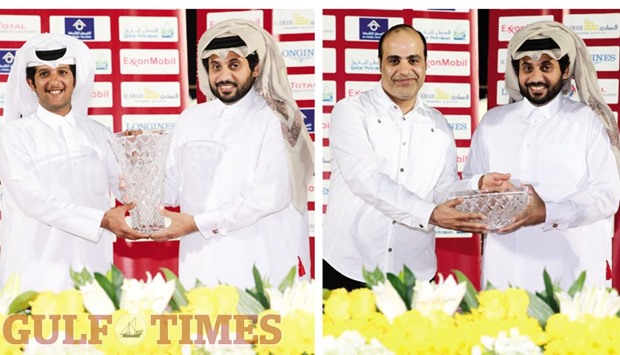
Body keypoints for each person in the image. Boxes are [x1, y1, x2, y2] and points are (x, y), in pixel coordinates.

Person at [323, 24, 509, 291]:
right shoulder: (350, 111)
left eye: (413, 60)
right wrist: (431, 214)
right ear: (379, 64)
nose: (404, 70)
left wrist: (476, 185)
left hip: (413, 272)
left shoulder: (439, 125)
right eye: (394, 60)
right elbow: (367, 180)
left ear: (425, 64)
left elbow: (442, 189)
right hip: (349, 267)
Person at [150, 19, 314, 289]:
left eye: (234, 65)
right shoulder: (191, 118)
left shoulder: (279, 118)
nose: (223, 75)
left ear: (256, 67)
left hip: (262, 263)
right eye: (215, 66)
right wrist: (141, 186)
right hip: (201, 263)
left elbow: (269, 196)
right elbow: (173, 186)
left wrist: (195, 224)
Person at [463, 21, 620, 292]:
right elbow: (470, 184)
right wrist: (481, 189)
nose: (535, 77)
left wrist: (547, 212)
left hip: (572, 273)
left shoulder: (588, 122)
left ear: (566, 70)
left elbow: (607, 196)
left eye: (546, 66)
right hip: (505, 272)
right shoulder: (492, 123)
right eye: (527, 67)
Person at [0, 33, 145, 292]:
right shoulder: (13, 135)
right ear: (31, 84)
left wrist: (137, 163)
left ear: (74, 80)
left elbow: (126, 191)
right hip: (37, 269)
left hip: (93, 267)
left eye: (63, 72)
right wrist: (100, 219)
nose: (54, 81)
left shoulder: (99, 133)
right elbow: (31, 199)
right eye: (44, 74)